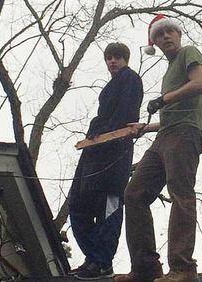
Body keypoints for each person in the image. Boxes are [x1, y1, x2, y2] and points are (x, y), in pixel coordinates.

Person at [115, 14, 202, 282]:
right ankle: (145, 268)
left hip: (186, 133)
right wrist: (145, 127)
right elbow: (171, 113)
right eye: (159, 34)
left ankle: (183, 268)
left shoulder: (188, 53)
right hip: (165, 135)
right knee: (134, 194)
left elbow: (201, 83)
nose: (166, 36)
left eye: (170, 31)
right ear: (153, 42)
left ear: (178, 35)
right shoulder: (169, 70)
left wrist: (164, 98)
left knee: (180, 191)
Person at [69, 42, 143, 280]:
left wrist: (105, 132)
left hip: (114, 154)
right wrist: (95, 130)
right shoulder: (107, 88)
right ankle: (92, 257)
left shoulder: (130, 79)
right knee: (77, 205)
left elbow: (125, 116)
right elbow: (103, 117)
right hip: (93, 155)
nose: (113, 61)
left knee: (107, 210)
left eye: (118, 57)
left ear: (126, 60)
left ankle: (102, 262)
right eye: (109, 58)